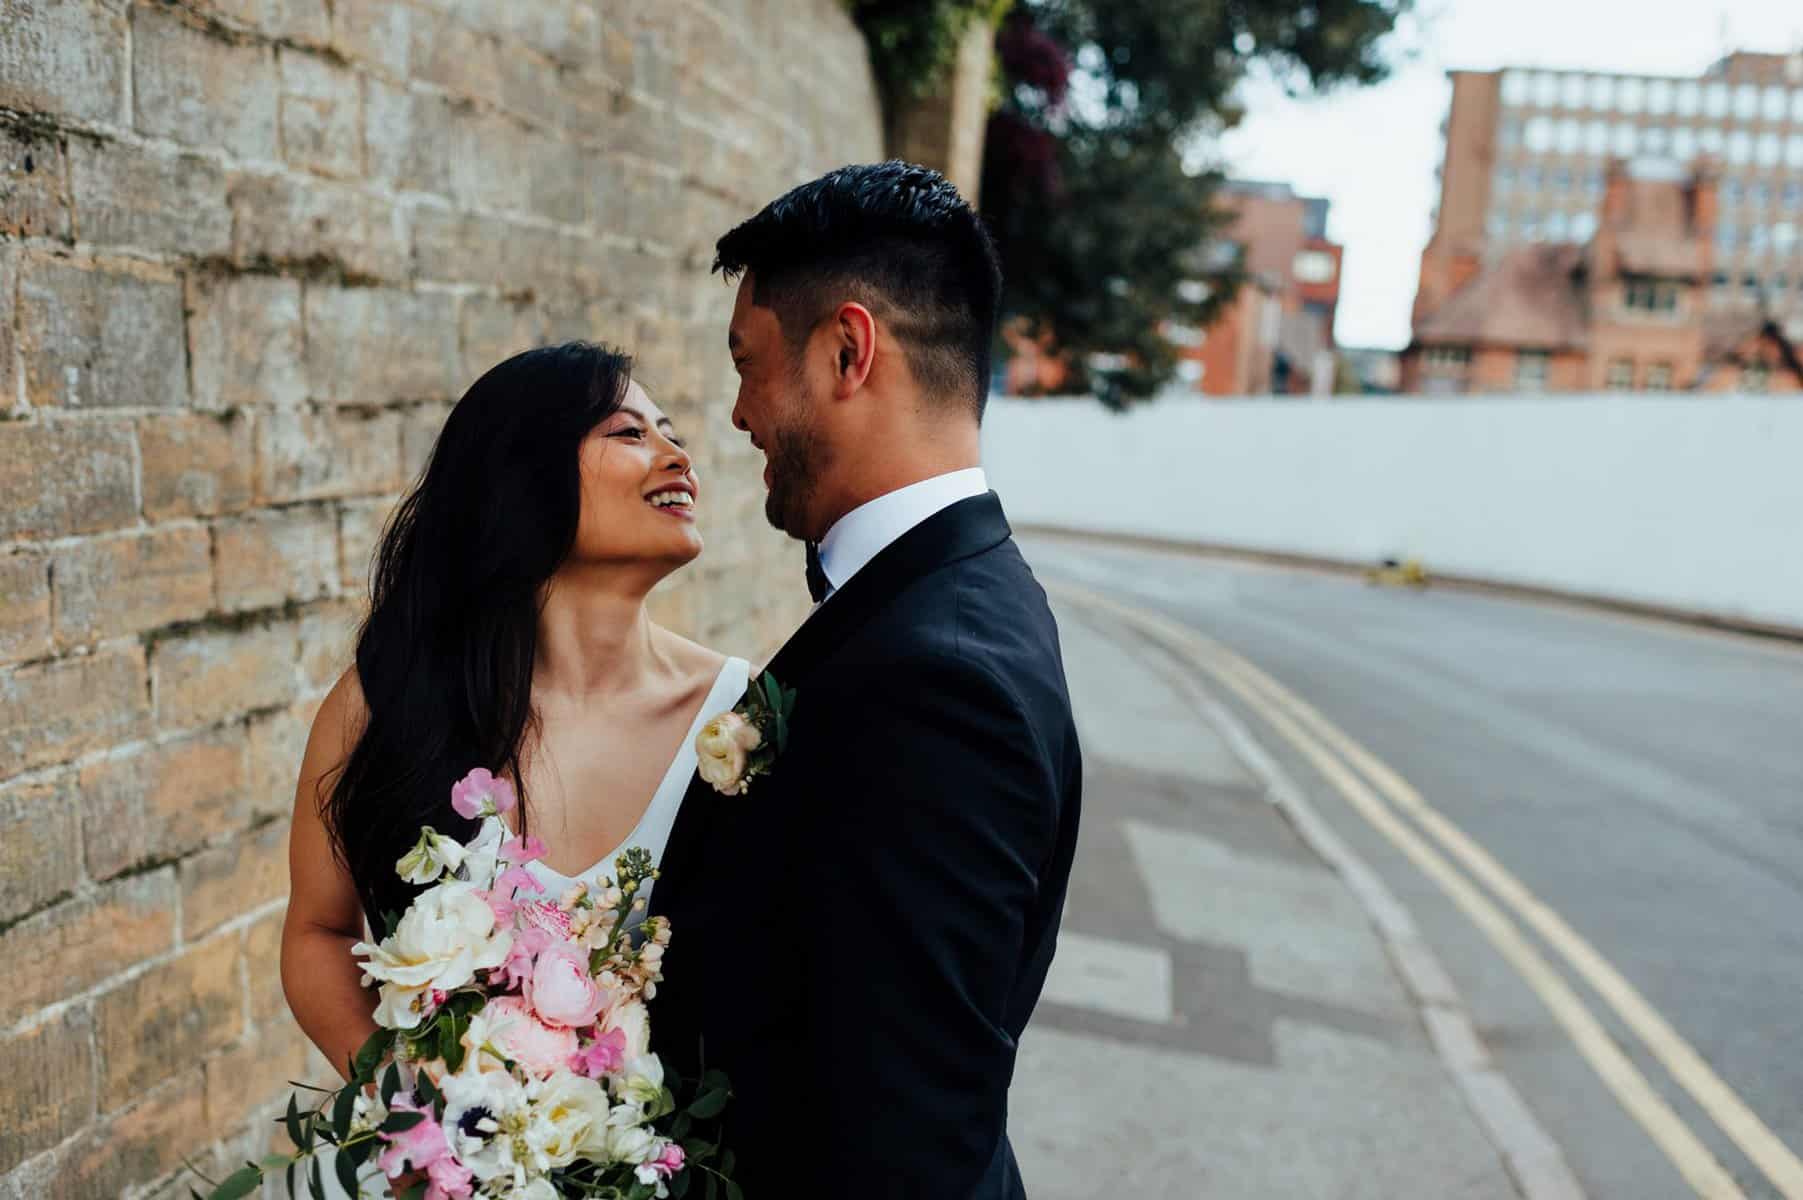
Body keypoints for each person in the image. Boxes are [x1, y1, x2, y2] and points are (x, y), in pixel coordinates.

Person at [649, 161, 1083, 1198]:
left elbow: (902, 1142)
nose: (740, 413)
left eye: (749, 364)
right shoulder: (951, 602)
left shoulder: (937, 684)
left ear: (848, 351)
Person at [282, 343, 750, 1192]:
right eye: (627, 431)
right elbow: (317, 932)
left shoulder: (740, 726)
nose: (676, 455)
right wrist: (423, 1122)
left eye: (671, 434)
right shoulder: (385, 704)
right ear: (520, 476)